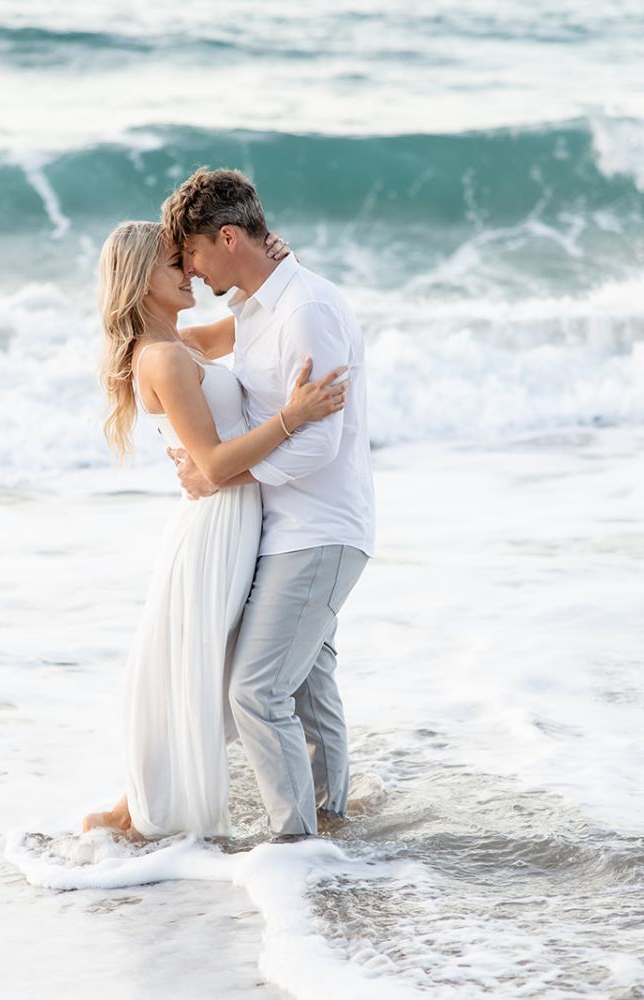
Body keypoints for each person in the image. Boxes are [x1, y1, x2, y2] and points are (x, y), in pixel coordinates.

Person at [83, 220, 349, 840]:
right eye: (175, 264)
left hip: (237, 521)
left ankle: (130, 815)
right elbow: (213, 465)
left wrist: (278, 263)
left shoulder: (184, 343)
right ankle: (129, 817)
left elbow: (257, 316)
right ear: (140, 279)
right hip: (215, 532)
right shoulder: (167, 359)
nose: (190, 273)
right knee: (216, 674)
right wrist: (293, 416)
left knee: (215, 673)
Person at [162, 168, 375, 842]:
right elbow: (182, 350)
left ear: (228, 237)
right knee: (306, 687)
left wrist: (224, 476)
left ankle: (293, 843)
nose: (191, 272)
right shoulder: (258, 305)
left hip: (317, 528)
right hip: (287, 527)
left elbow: (318, 444)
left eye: (193, 253)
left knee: (255, 690)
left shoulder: (304, 309)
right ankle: (327, 827)